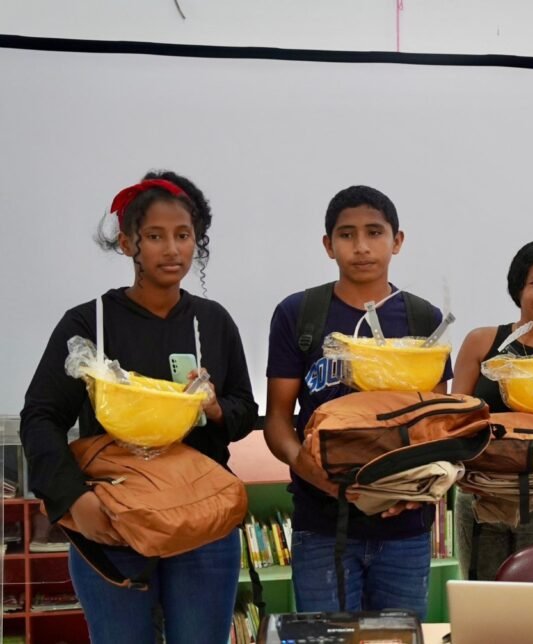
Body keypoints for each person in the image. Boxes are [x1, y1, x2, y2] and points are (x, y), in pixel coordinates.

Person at [20, 171, 259, 644]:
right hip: (113, 521)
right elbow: (40, 417)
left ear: (197, 242)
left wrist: (212, 408)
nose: (172, 249)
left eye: (183, 235)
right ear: (128, 243)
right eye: (155, 236)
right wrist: (76, 502)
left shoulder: (212, 322)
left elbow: (243, 412)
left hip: (202, 525)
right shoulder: (89, 322)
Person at [263, 185, 450, 617]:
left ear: (397, 240)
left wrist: (415, 489)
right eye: (346, 235)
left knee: (396, 638)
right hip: (323, 525)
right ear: (328, 245)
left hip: (405, 528)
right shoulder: (299, 313)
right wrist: (313, 473)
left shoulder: (424, 319)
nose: (361, 247)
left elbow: (437, 426)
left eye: (374, 232)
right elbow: (276, 420)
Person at [451, 240, 533, 581]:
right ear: (517, 289)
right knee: (484, 602)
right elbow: (453, 419)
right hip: (481, 493)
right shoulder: (481, 341)